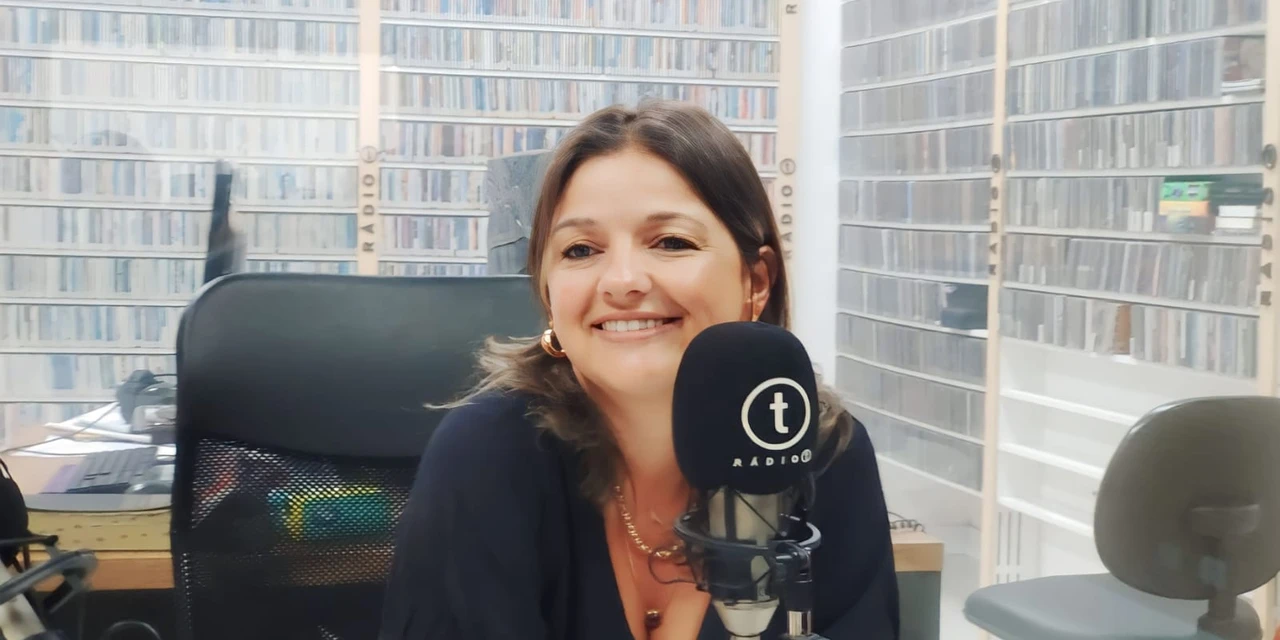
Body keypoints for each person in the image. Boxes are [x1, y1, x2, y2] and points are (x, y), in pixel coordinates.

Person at [379, 100, 900, 640]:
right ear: (549, 295)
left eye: (671, 242)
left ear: (757, 282)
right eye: (581, 250)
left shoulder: (822, 453)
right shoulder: (486, 453)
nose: (622, 281)